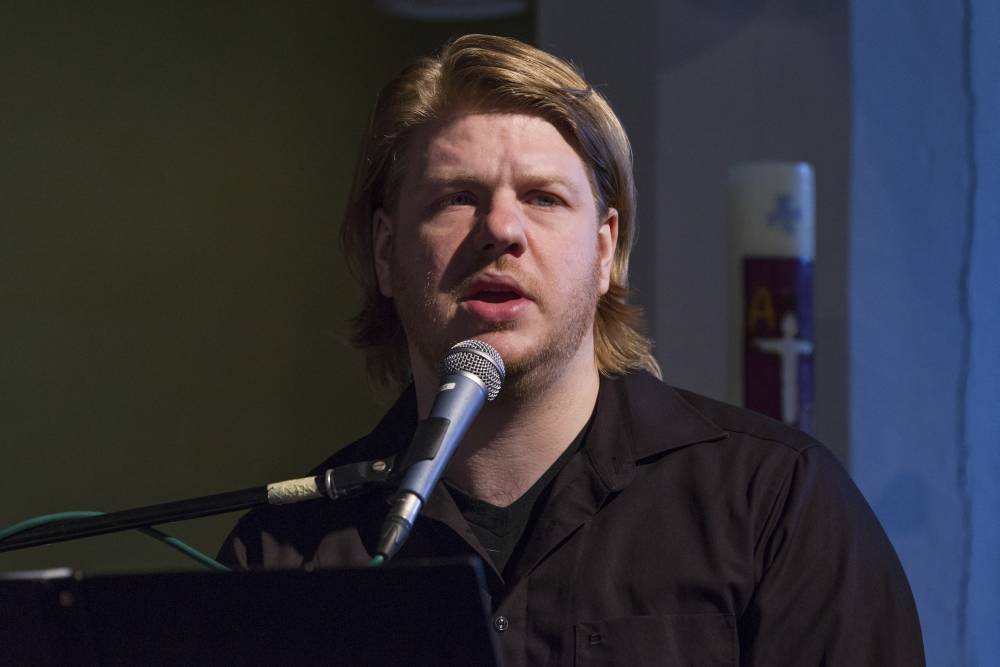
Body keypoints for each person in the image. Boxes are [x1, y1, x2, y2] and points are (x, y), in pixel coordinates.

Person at [219, 34, 924, 665]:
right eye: (455, 197)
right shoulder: (288, 554)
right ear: (385, 252)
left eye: (543, 198)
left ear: (605, 249)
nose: (500, 229)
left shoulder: (774, 505)